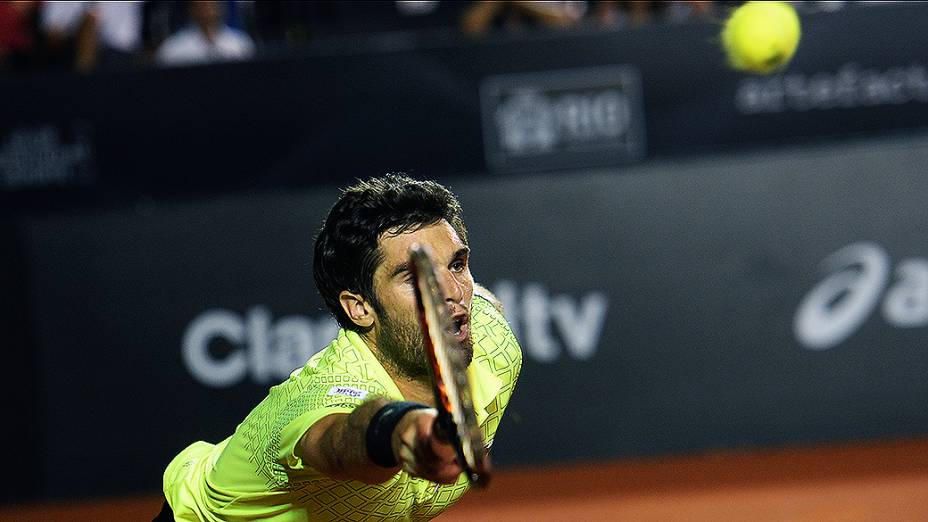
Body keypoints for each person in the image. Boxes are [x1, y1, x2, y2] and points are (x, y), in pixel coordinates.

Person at [159, 174, 522, 521]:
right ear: (359, 307)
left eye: (457, 264)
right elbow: (339, 440)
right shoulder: (320, 396)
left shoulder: (492, 338)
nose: (454, 293)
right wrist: (403, 431)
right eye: (413, 278)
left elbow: (485, 301)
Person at [156, 0, 254, 67]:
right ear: (191, 10)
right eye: (202, 5)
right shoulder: (174, 48)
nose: (207, 10)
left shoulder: (239, 43)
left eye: (211, 4)